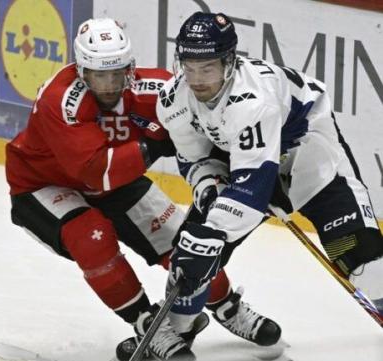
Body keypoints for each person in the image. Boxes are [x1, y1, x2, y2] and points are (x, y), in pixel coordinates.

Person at [5, 18, 281, 361]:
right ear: (80, 70)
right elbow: (94, 172)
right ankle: (148, 325)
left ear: (130, 68)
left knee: (184, 243)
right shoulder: (61, 99)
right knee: (93, 237)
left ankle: (227, 305)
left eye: (117, 73)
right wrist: (154, 145)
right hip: (43, 186)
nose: (109, 85)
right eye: (98, 75)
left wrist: (242, 164)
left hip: (118, 183)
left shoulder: (156, 88)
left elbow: (207, 121)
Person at [156, 12, 383, 333]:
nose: (197, 80)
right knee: (190, 254)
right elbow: (194, 158)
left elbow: (252, 193)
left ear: (229, 62)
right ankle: (175, 333)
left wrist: (217, 230)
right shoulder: (173, 99)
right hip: (242, 154)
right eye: (189, 67)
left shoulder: (253, 102)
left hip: (307, 150)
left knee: (357, 247)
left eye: (207, 68)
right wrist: (208, 187)